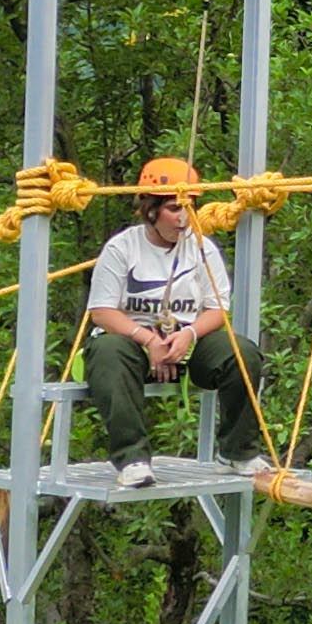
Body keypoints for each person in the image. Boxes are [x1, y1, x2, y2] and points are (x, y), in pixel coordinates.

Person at [79, 157, 266, 484]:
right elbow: (102, 311)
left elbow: (217, 309)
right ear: (151, 210)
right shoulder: (123, 248)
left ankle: (238, 452)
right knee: (109, 352)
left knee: (242, 352)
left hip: (188, 341)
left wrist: (189, 335)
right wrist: (149, 340)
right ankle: (132, 460)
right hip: (131, 342)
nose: (183, 218)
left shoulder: (202, 248)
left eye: (189, 208)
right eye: (174, 208)